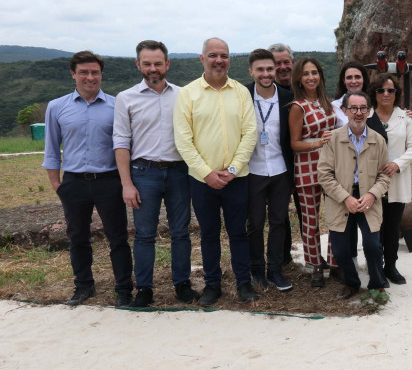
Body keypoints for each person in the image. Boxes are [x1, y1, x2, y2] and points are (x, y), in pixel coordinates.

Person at [43, 51, 134, 307]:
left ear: (101, 74)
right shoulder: (56, 107)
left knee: (118, 238)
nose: (90, 77)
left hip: (109, 180)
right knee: (77, 237)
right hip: (73, 182)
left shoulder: (117, 105)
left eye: (95, 72)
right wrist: (56, 184)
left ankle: (124, 289)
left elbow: (126, 145)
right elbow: (51, 148)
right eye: (84, 72)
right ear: (73, 74)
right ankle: (83, 286)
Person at [173, 37, 259, 306]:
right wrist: (207, 173)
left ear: (229, 60)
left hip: (237, 178)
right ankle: (212, 285)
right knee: (209, 234)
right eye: (213, 55)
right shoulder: (187, 94)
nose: (218, 60)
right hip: (202, 180)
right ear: (202, 59)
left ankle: (243, 284)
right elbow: (183, 141)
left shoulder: (241, 93)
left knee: (238, 233)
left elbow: (250, 133)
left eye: (223, 56)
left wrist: (232, 169)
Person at [113, 40, 195, 307]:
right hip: (143, 172)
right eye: (146, 63)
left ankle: (182, 284)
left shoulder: (184, 95)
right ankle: (145, 289)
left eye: (158, 63)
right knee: (145, 234)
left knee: (180, 232)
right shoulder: (126, 98)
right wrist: (127, 184)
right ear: (138, 65)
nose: (153, 68)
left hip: (179, 172)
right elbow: (121, 142)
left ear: (167, 64)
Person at [317, 91, 392, 299]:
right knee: (340, 249)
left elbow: (384, 176)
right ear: (345, 111)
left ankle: (377, 284)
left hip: (369, 197)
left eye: (363, 108)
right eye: (353, 108)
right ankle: (351, 283)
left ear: (369, 111)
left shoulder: (378, 140)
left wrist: (372, 195)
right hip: (341, 198)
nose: (358, 113)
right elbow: (324, 174)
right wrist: (346, 198)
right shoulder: (333, 140)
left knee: (373, 245)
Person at [244, 49, 294, 292]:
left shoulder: (287, 97)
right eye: (260, 69)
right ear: (251, 71)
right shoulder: (242, 95)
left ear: (276, 70)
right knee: (254, 223)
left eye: (269, 69)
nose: (265, 74)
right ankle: (256, 269)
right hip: (252, 170)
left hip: (280, 169)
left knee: (278, 222)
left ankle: (275, 270)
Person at [289, 57, 336, 288]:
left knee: (336, 216)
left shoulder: (325, 101)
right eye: (306, 73)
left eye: (314, 72)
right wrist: (318, 143)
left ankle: (334, 261)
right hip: (307, 168)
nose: (311, 77)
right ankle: (315, 263)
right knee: (310, 220)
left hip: (330, 167)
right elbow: (294, 144)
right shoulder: (298, 107)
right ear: (299, 77)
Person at [370, 73, 412, 285]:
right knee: (375, 227)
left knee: (392, 227)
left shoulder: (405, 118)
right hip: (372, 180)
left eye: (390, 90)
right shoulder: (367, 116)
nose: (386, 94)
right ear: (375, 93)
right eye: (381, 90)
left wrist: (397, 164)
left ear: (396, 93)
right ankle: (375, 266)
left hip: (396, 180)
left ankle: (390, 266)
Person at [267, 43, 301, 271]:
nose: (282, 67)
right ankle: (283, 256)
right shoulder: (264, 94)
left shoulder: (304, 88)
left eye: (285, 62)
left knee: (306, 211)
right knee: (279, 214)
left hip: (305, 163)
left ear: (293, 62)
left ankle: (314, 256)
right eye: (276, 63)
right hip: (278, 164)